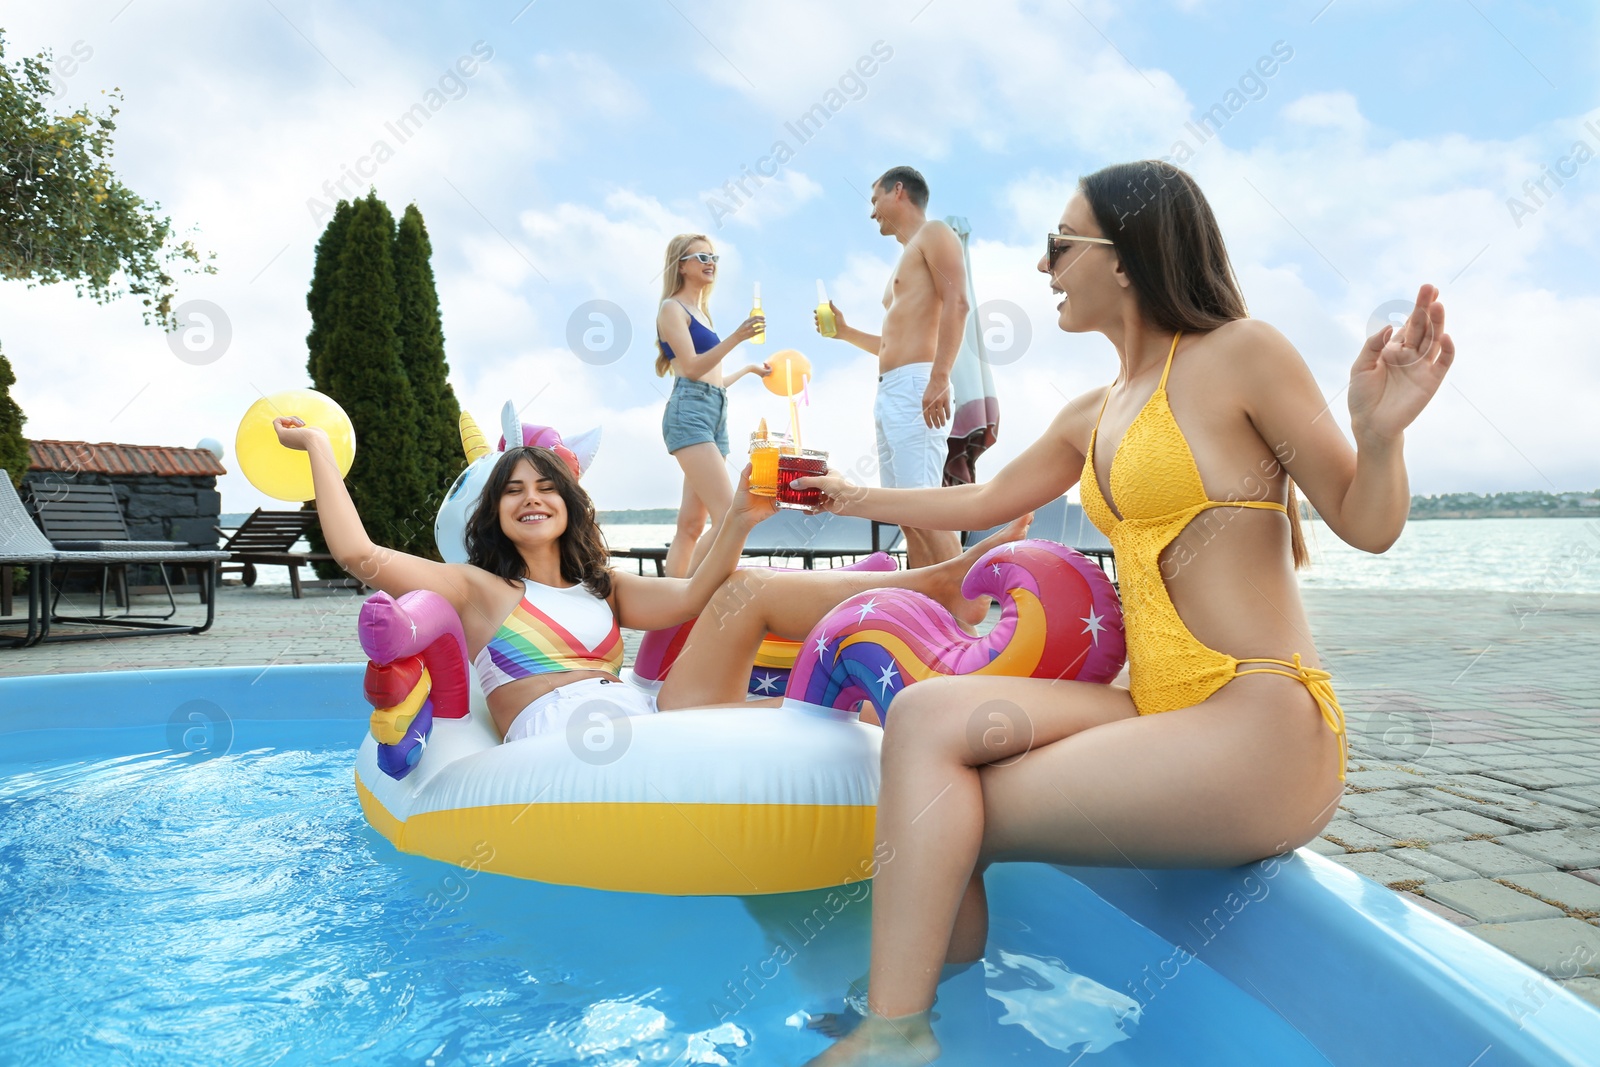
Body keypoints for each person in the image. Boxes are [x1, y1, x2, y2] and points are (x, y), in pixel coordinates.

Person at [791, 160, 1455, 1065]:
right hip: (1161, 712)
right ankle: (922, 1011)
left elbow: (1367, 521)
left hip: (1262, 720)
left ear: (1128, 255)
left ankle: (897, 1028)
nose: (1043, 269)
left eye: (1059, 246)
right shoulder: (1090, 414)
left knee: (952, 806)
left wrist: (1381, 434)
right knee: (921, 719)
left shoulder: (1241, 354)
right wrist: (852, 494)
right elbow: (977, 503)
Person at [270, 418, 1028, 742]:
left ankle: (940, 579)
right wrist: (316, 452)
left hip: (644, 714)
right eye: (512, 490)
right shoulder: (476, 588)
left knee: (748, 586)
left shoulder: (606, 587)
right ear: (495, 514)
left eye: (545, 487)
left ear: (568, 505)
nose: (531, 497)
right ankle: (942, 581)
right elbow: (360, 553)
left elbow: (701, 596)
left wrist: (740, 514)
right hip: (569, 743)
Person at [815, 166, 970, 571]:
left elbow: (958, 303)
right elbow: (889, 345)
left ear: (898, 191)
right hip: (892, 389)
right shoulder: (907, 255)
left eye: (874, 201)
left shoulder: (935, 234)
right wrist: (845, 332)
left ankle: (967, 618)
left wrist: (940, 377)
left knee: (925, 510)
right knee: (909, 516)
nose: (872, 214)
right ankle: (928, 613)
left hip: (919, 384)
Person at [654, 233, 771, 579]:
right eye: (701, 257)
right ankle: (690, 595)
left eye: (713, 258)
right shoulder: (671, 308)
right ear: (682, 265)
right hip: (688, 414)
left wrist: (749, 369)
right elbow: (691, 368)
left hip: (715, 412)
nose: (710, 264)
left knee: (691, 525)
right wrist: (737, 337)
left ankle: (672, 609)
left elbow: (712, 380)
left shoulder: (702, 313)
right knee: (730, 515)